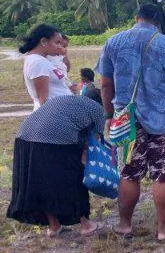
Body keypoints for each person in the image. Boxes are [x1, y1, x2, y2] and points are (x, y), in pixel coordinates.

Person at [97, 3, 165, 242]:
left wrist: (109, 115)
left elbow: (106, 85)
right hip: (164, 119)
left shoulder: (112, 43)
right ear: (159, 22)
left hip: (127, 119)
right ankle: (163, 230)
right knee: (163, 174)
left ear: (136, 18)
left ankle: (124, 225)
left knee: (129, 173)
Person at [7, 95, 106, 237]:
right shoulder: (99, 110)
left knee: (42, 183)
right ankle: (86, 225)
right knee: (71, 179)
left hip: (24, 135)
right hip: (54, 139)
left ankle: (54, 226)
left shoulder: (71, 100)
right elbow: (92, 144)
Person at [19, 24, 74, 109]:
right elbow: (43, 100)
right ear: (43, 41)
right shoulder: (37, 62)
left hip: (60, 111)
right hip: (54, 113)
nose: (59, 47)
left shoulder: (43, 60)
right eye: (57, 43)